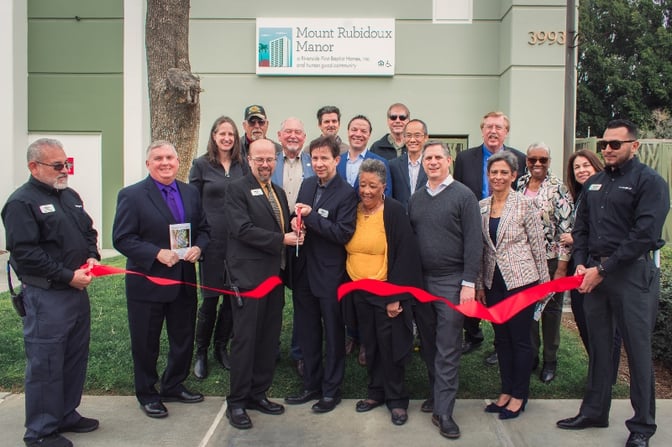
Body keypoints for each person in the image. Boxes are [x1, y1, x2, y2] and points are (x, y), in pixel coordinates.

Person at [557, 119, 669, 447]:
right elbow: (582, 229)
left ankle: (642, 427)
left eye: (615, 144)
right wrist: (580, 264)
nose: (607, 149)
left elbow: (644, 235)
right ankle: (594, 411)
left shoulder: (650, 182)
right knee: (600, 348)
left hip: (631, 276)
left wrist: (602, 270)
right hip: (593, 276)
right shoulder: (595, 184)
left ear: (634, 146)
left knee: (637, 351)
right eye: (604, 144)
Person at [2, 138, 101, 447]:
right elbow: (26, 254)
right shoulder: (21, 203)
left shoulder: (69, 195)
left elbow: (88, 231)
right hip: (47, 296)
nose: (65, 170)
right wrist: (67, 276)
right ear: (34, 166)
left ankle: (65, 413)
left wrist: (92, 257)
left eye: (66, 163)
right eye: (57, 165)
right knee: (45, 364)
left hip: (75, 291)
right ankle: (41, 432)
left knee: (73, 357)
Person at [113, 140, 210, 419]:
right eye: (158, 158)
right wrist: (156, 253)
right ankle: (147, 393)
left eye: (170, 157)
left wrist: (199, 247)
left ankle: (173, 385)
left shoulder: (190, 193)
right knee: (146, 342)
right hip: (148, 282)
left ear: (179, 162)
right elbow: (122, 238)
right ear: (148, 164)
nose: (165, 162)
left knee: (183, 337)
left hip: (182, 279)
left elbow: (204, 229)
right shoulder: (131, 196)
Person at [223, 138, 303, 430]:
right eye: (260, 159)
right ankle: (237, 402)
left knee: (268, 339)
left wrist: (292, 227)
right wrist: (281, 238)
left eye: (270, 159)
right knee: (245, 340)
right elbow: (241, 229)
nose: (266, 164)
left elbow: (278, 226)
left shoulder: (279, 192)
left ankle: (259, 393)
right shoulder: (237, 189)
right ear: (249, 159)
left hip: (274, 278)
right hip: (248, 279)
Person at [409, 140, 482, 439]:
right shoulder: (416, 199)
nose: (433, 162)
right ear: (423, 163)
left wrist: (468, 283)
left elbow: (474, 243)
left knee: (448, 346)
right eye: (429, 158)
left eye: (439, 157)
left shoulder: (464, 196)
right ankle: (437, 394)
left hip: (452, 282)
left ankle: (445, 412)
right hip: (421, 282)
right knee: (427, 344)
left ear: (448, 161)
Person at [343, 159, 423, 426]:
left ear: (384, 187)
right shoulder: (353, 210)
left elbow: (405, 254)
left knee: (390, 347)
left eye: (372, 186)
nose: (366, 190)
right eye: (363, 184)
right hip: (359, 291)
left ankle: (397, 400)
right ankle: (375, 392)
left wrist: (395, 296)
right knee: (370, 343)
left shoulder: (394, 211)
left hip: (386, 290)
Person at [285, 135, 358, 414]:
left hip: (330, 275)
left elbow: (343, 233)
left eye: (324, 158)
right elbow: (302, 217)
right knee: (308, 332)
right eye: (314, 158)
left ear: (336, 160)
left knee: (333, 333)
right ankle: (311, 385)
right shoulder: (306, 184)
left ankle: (331, 390)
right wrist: (297, 221)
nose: (319, 163)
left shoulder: (347, 193)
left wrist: (312, 217)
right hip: (303, 270)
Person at [476, 150, 549, 421]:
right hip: (493, 283)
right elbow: (482, 249)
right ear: (488, 175)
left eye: (504, 172)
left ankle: (519, 395)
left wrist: (544, 286)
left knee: (520, 341)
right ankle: (505, 392)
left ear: (514, 175)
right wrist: (480, 284)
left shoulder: (524, 205)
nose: (498, 176)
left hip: (521, 282)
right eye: (493, 172)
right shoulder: (481, 206)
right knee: (502, 340)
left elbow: (538, 247)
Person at [453, 111, 527, 364]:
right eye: (488, 127)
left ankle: (500, 342)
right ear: (482, 130)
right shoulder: (465, 158)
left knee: (499, 289)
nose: (493, 131)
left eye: (498, 127)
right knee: (472, 282)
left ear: (506, 131)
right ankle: (472, 333)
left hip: (506, 236)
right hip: (473, 229)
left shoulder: (520, 158)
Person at [188, 116, 249, 379]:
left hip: (237, 243)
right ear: (213, 136)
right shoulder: (201, 165)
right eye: (222, 133)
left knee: (231, 299)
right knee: (210, 299)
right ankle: (200, 352)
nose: (227, 138)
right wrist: (195, 242)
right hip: (211, 242)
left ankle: (221, 347)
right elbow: (192, 204)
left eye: (231, 135)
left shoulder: (242, 166)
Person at [515, 142, 574, 384]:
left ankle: (550, 360)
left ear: (549, 161)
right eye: (532, 160)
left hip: (551, 261)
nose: (537, 164)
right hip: (525, 259)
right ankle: (532, 357)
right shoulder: (519, 183)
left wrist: (561, 269)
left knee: (549, 312)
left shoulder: (559, 188)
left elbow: (566, 230)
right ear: (526, 161)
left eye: (543, 160)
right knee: (528, 311)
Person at [272, 116, 315, 378]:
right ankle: (270, 347)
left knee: (302, 298)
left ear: (304, 136)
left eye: (298, 132)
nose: (293, 136)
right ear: (279, 135)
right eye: (288, 131)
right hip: (274, 239)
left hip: (302, 238)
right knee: (273, 298)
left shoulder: (312, 162)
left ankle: (300, 352)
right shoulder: (270, 161)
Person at [337, 115, 392, 199]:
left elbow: (386, 195)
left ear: (369, 135)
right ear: (348, 132)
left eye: (363, 131)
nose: (358, 134)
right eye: (354, 130)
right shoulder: (337, 162)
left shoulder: (381, 163)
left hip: (368, 211)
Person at [389, 119, 428, 209]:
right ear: (403, 138)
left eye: (417, 135)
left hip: (426, 217)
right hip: (400, 217)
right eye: (408, 135)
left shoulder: (432, 164)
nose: (412, 140)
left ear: (426, 138)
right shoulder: (393, 165)